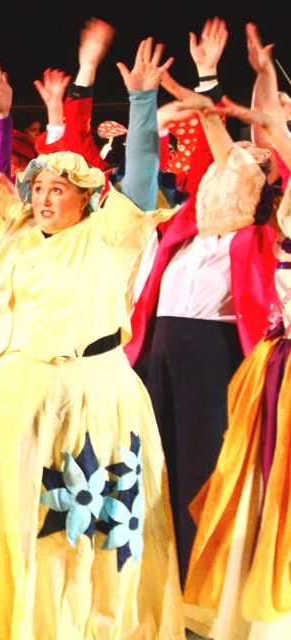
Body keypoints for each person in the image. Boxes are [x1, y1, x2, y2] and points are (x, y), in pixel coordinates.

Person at [0, 38, 185, 639]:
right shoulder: (17, 231)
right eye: (39, 187)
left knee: (89, 531)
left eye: (58, 189)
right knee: (22, 527)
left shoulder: (111, 232)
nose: (44, 197)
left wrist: (143, 101)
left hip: (93, 400)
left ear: (85, 195)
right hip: (21, 402)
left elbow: (142, 173)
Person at [172, 25, 291, 639]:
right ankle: (237, 607)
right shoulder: (266, 204)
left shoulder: (276, 207)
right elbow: (243, 139)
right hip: (273, 368)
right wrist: (229, 82)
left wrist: (256, 96)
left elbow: (268, 126)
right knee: (249, 483)